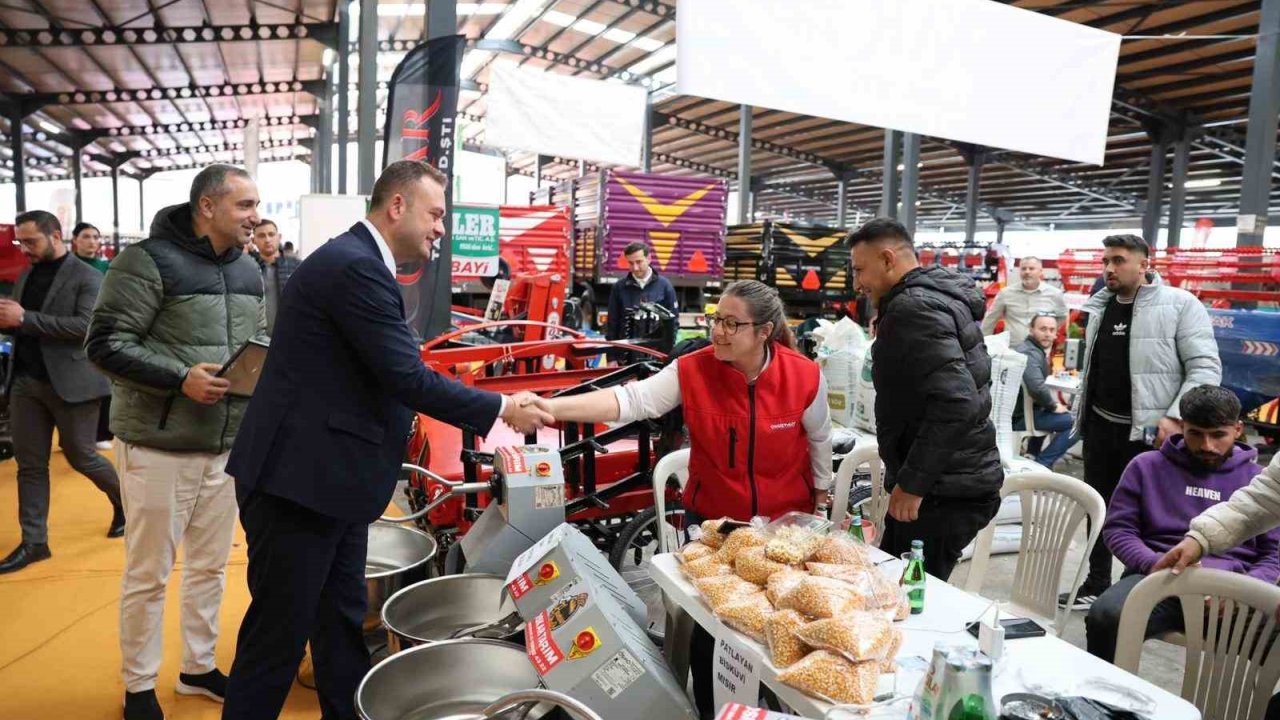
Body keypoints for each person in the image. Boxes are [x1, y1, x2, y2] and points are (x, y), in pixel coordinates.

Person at [220, 160, 551, 720]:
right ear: (397, 205)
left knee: (340, 625)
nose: (441, 228)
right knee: (277, 638)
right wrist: (501, 408)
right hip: (297, 485)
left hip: (332, 485)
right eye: (436, 214)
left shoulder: (360, 262)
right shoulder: (354, 267)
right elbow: (405, 376)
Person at [527, 279, 831, 718]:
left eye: (732, 324)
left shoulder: (803, 375)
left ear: (764, 331)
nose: (718, 331)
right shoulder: (693, 369)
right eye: (716, 319)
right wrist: (551, 407)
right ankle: (715, 710)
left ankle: (770, 705)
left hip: (783, 532)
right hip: (715, 527)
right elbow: (632, 401)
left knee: (783, 625)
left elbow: (820, 438)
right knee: (712, 630)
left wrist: (820, 494)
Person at [86, 164, 267, 720]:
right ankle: (139, 685)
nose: (255, 216)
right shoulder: (145, 262)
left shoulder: (249, 268)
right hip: (159, 446)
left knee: (210, 568)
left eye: (256, 205)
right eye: (244, 205)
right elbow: (104, 343)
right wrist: (179, 377)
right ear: (207, 207)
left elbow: (255, 342)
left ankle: (197, 667)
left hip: (225, 446)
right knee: (149, 574)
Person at [1062, 233, 1221, 611]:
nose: (1109, 268)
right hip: (1101, 428)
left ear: (1144, 264)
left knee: (1148, 516)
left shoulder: (1180, 305)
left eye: (1118, 260)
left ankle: (1139, 589)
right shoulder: (1101, 305)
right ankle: (1096, 581)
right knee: (1098, 507)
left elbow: (1205, 367)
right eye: (1106, 261)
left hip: (1149, 436)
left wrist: (1176, 416)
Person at [848, 217, 1002, 581]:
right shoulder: (935, 298)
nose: (857, 284)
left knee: (907, 596)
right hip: (954, 480)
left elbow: (956, 402)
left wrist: (913, 485)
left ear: (888, 259)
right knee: (898, 587)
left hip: (942, 491)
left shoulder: (913, 309)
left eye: (859, 270)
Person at [1084, 386, 1277, 663]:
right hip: (1157, 578)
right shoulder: (1146, 466)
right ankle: (1103, 690)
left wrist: (1247, 590)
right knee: (1106, 617)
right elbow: (1119, 530)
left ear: (1237, 429)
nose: (1206, 445)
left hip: (1234, 589)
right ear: (1182, 426)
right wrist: (1155, 563)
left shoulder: (1261, 482)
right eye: (1195, 433)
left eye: (1218, 435)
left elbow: (1273, 554)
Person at [0, 210, 123, 575]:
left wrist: (24, 318)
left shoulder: (88, 277)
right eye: (20, 241)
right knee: (30, 465)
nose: (24, 249)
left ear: (55, 235)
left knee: (82, 456)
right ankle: (35, 542)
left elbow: (85, 327)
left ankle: (126, 503)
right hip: (26, 381)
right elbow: (18, 322)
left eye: (31, 241)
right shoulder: (27, 274)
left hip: (73, 383)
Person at [69, 222, 115, 449]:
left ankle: (102, 433)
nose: (92, 241)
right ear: (75, 240)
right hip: (73, 330)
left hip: (102, 329)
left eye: (96, 237)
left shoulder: (107, 267)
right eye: (86, 236)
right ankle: (75, 435)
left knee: (104, 382)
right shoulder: (68, 267)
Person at [1013, 312, 1077, 470]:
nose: (1048, 334)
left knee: (1046, 408)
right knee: (1079, 424)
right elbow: (1036, 387)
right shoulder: (1030, 352)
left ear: (1056, 333)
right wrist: (1053, 406)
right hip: (1021, 417)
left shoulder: (1031, 349)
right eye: (1042, 329)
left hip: (1023, 412)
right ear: (1031, 330)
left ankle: (1032, 455)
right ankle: (1042, 465)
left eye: (1052, 330)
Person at [980, 256, 1067, 345]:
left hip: (1040, 349)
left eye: (1031, 269)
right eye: (1023, 269)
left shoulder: (1055, 294)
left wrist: (1048, 332)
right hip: (1012, 348)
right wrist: (983, 343)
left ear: (1041, 271)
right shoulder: (1006, 293)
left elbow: (1062, 316)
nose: (1027, 272)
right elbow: (990, 319)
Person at [605, 241, 678, 343]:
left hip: (655, 350)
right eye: (631, 263)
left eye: (639, 262)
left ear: (649, 259)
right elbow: (612, 323)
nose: (635, 268)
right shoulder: (619, 288)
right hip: (626, 349)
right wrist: (612, 352)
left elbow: (673, 323)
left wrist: (668, 349)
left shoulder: (665, 286)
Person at [250, 218, 300, 335]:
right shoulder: (248, 268)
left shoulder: (296, 267)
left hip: (289, 335)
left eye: (271, 234)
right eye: (261, 236)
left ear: (279, 237)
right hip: (256, 337)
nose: (267, 240)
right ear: (253, 240)